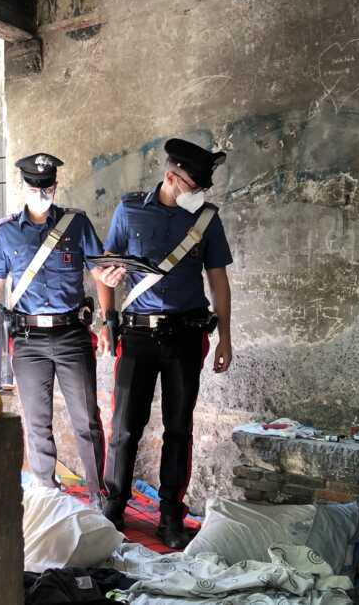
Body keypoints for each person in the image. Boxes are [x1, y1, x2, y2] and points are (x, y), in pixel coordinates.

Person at [95, 138, 233, 548]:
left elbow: (218, 280)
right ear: (171, 177)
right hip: (137, 334)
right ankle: (114, 506)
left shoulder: (206, 220)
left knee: (179, 429)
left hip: (187, 336)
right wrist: (107, 316)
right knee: (124, 428)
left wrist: (226, 335)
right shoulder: (130, 210)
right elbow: (105, 267)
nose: (199, 194)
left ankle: (171, 514)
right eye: (193, 185)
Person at [0, 153, 116, 507]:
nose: (41, 192)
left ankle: (99, 496)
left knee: (87, 421)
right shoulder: (7, 232)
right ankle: (47, 493)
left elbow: (98, 271)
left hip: (71, 335)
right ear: (23, 185)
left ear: (55, 185)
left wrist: (108, 302)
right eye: (35, 186)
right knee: (37, 423)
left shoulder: (76, 224)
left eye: (47, 186)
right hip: (28, 339)